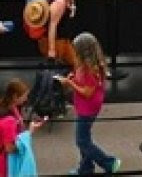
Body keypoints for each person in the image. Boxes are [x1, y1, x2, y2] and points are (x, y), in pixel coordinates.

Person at [56, 32, 120, 175]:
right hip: (84, 106)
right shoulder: (84, 65)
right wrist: (73, 78)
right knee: (85, 138)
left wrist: (70, 83)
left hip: (88, 108)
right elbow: (82, 82)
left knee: (82, 141)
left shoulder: (91, 70)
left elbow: (87, 92)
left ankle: (109, 162)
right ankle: (86, 168)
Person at [0, 79, 46, 172]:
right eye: (24, 96)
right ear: (15, 96)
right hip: (5, 164)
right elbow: (10, 148)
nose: (26, 99)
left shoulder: (10, 107)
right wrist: (29, 133)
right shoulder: (9, 120)